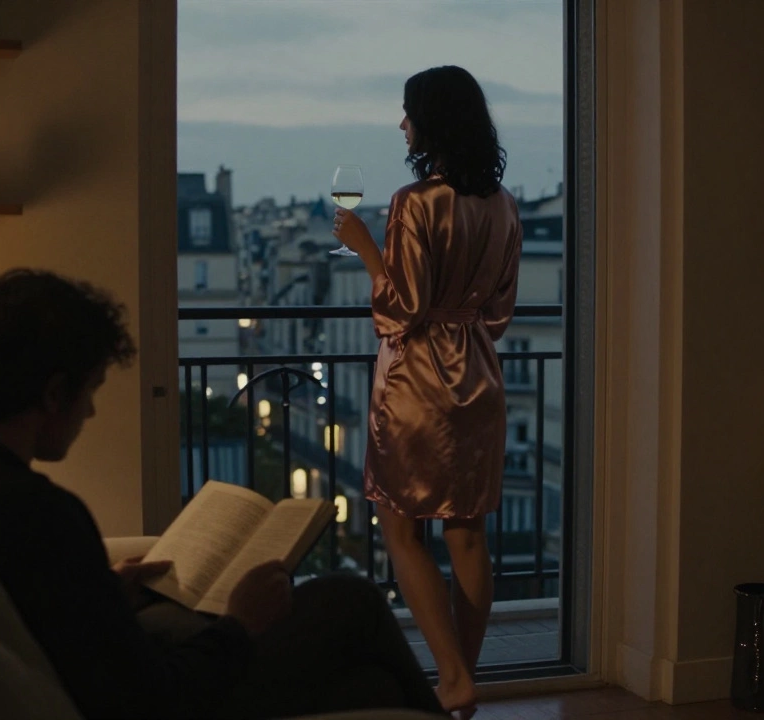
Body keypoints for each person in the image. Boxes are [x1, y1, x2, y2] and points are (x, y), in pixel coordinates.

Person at [0, 268, 444, 720]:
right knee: (351, 599)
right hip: (167, 697)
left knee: (370, 687)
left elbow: (50, 623)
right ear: (53, 394)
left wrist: (104, 594)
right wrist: (240, 623)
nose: (91, 411)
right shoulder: (37, 513)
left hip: (99, 676)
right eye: (90, 391)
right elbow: (155, 700)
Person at [331, 65, 523, 717]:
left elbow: (399, 309)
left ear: (431, 121)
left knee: (400, 527)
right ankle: (461, 681)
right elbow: (498, 312)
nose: (402, 122)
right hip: (479, 376)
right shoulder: (502, 205)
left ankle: (448, 675)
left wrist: (362, 247)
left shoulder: (414, 202)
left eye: (408, 111)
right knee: (468, 537)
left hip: (418, 383)